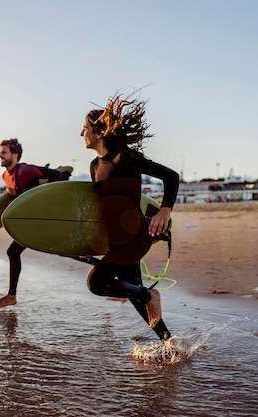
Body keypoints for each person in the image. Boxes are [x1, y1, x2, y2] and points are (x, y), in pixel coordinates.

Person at [80, 93, 179, 341]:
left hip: (134, 235)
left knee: (96, 284)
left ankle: (150, 296)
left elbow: (171, 176)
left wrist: (165, 209)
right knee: (134, 294)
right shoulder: (94, 166)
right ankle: (170, 345)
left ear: (99, 132)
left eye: (84, 129)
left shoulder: (124, 157)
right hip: (117, 239)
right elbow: (102, 209)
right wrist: (87, 243)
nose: (81, 134)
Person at [0, 138, 62, 309]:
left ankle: (11, 296)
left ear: (14, 155)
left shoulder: (24, 170)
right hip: (30, 221)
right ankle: (11, 296)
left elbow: (56, 175)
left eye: (4, 152)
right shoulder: (5, 176)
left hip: (40, 219)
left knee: (14, 252)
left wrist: (46, 202)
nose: (0, 155)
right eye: (0, 152)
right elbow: (15, 198)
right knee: (14, 252)